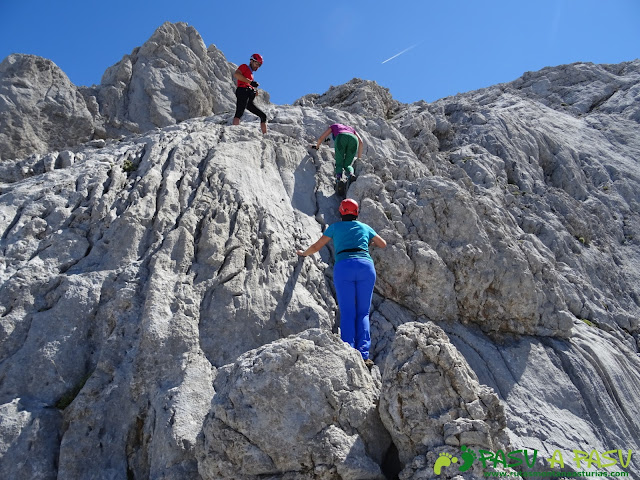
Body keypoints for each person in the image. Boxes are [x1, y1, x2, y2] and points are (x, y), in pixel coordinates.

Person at [296, 199, 386, 368]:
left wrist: (304, 254)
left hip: (344, 267)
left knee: (347, 312)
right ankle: (364, 355)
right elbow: (382, 243)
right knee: (363, 313)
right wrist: (368, 242)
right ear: (357, 212)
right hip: (366, 267)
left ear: (341, 212)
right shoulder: (364, 227)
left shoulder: (335, 228)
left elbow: (316, 246)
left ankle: (349, 351)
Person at [233, 54, 267, 134]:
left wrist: (253, 90)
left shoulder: (251, 74)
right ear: (251, 61)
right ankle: (233, 132)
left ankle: (265, 136)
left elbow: (247, 82)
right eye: (257, 63)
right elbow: (237, 74)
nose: (257, 66)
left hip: (248, 94)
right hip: (242, 91)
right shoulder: (244, 67)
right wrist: (250, 83)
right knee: (239, 112)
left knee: (263, 116)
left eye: (259, 65)